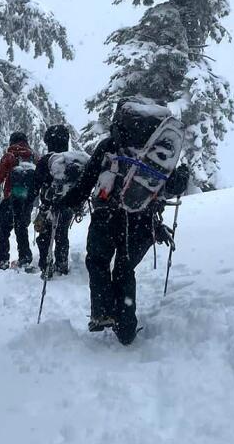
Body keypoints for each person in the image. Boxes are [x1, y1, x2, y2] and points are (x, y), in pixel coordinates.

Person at [62, 98, 190, 345]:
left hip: (105, 214)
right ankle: (126, 329)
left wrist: (66, 202)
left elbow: (86, 181)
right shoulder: (157, 147)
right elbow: (171, 185)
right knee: (124, 269)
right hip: (142, 217)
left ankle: (103, 312)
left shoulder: (110, 145)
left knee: (97, 261)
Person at [0, 132, 37, 270]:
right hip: (27, 200)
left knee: (3, 229)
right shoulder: (33, 157)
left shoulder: (10, 156)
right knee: (21, 228)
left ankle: (2, 259)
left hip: (11, 197)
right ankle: (24, 259)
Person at [33, 124, 75, 278]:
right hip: (66, 206)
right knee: (61, 235)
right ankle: (62, 264)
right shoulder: (71, 160)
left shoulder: (45, 160)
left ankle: (46, 266)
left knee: (44, 236)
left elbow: (35, 185)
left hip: (47, 206)